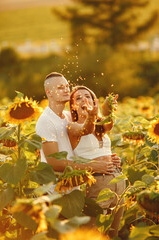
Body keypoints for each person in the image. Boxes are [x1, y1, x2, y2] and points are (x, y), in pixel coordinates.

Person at [35, 72, 119, 178]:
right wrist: (93, 166)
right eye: (60, 87)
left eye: (67, 86)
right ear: (49, 93)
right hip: (55, 188)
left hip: (75, 185)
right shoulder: (46, 121)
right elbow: (54, 163)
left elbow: (98, 127)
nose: (66, 90)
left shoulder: (67, 116)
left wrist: (106, 158)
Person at [68, 85, 125, 238]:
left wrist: (109, 110)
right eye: (78, 98)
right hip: (96, 184)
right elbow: (85, 129)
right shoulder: (73, 127)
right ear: (73, 106)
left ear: (94, 102)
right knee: (92, 233)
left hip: (118, 182)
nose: (83, 99)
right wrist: (92, 116)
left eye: (87, 96)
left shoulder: (101, 127)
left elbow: (109, 125)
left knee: (113, 233)